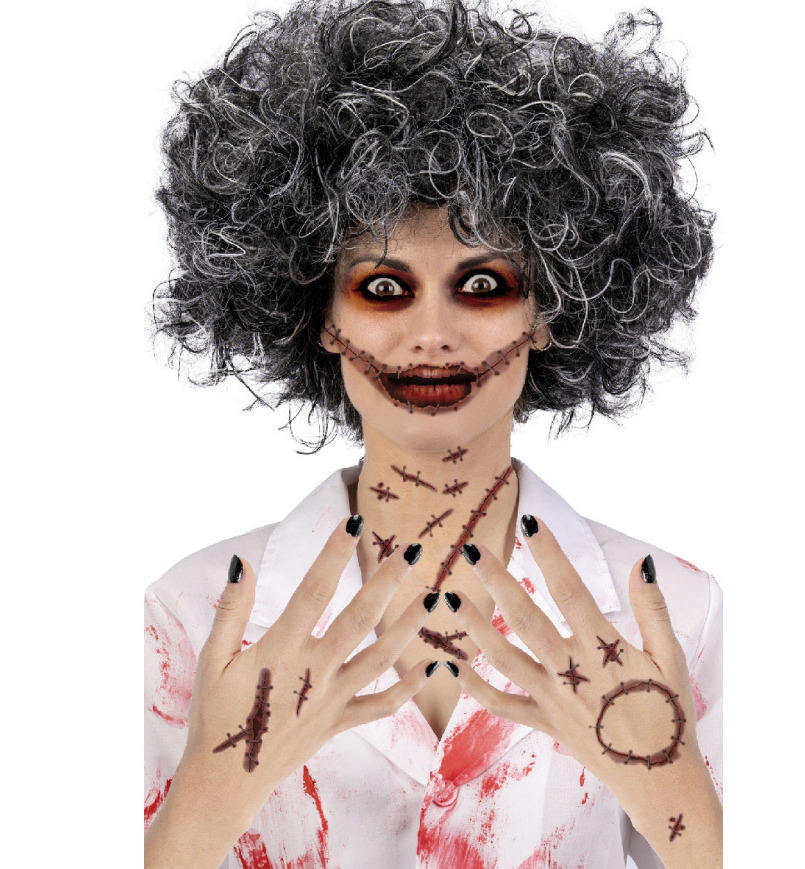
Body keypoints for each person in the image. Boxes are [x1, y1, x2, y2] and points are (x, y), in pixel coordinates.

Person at [144, 1, 722, 866]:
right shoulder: (192, 614)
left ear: (550, 310)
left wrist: (675, 798)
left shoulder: (673, 613)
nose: (431, 335)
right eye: (383, 288)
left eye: (483, 285)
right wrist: (208, 800)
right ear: (320, 316)